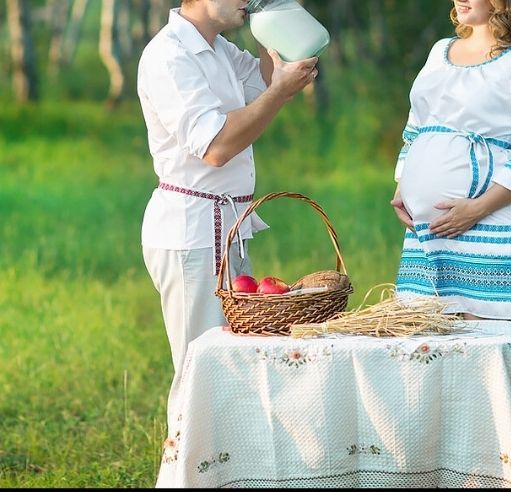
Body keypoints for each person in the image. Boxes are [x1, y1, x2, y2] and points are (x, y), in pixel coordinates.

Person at [136, 0, 318, 433]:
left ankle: (227, 471)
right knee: (200, 368)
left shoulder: (219, 48)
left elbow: (265, 84)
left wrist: (277, 33)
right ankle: (184, 473)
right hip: (191, 231)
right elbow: (216, 147)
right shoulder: (169, 55)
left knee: (234, 362)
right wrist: (280, 93)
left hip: (226, 225)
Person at [391, 0, 511, 331]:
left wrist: (476, 209)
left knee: (483, 355)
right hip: (429, 232)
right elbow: (415, 131)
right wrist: (403, 188)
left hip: (489, 226)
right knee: (426, 351)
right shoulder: (439, 51)